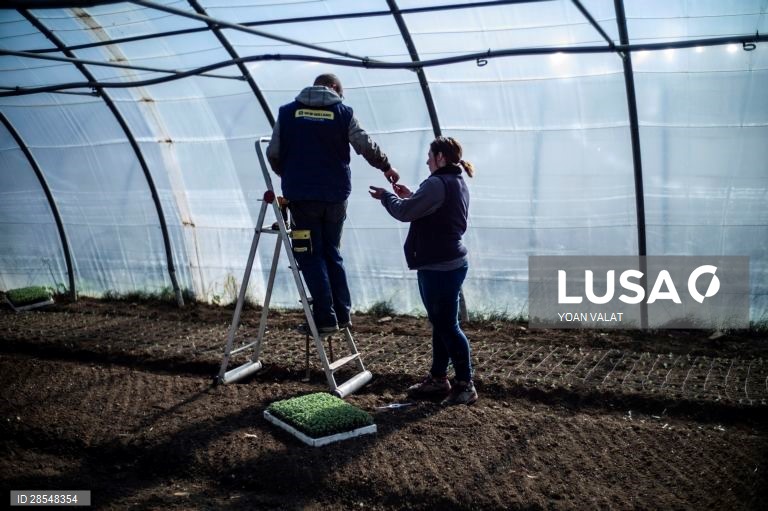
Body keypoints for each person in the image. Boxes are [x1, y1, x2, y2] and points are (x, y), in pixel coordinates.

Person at [267, 73, 399, 334]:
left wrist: (288, 174)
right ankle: (342, 313)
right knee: (332, 253)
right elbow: (365, 145)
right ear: (336, 89)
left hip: (302, 199)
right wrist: (386, 167)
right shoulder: (343, 112)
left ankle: (325, 317)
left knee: (309, 254)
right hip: (336, 198)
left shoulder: (287, 112)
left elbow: (273, 153)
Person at [368, 136, 477, 406]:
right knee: (442, 324)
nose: (427, 160)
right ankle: (439, 379)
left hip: (438, 265)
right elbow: (428, 207)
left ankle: (465, 384)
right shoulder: (456, 181)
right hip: (450, 262)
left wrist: (387, 197)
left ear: (440, 157)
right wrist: (411, 196)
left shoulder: (436, 183)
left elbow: (405, 213)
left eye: (430, 155)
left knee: (447, 326)